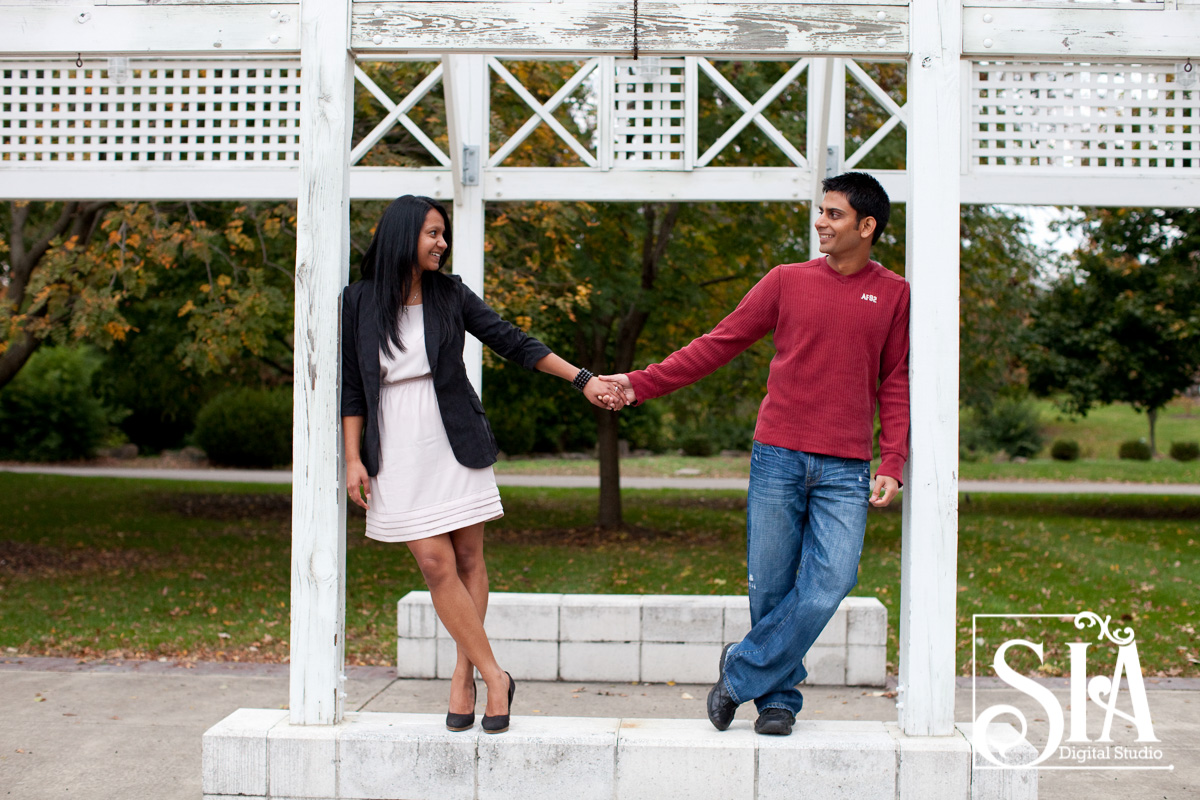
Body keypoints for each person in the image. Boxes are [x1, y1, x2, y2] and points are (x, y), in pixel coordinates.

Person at [601, 172, 909, 736]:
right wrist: (641, 382)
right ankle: (779, 702)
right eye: (821, 211)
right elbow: (717, 344)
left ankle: (739, 670)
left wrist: (893, 460)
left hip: (846, 466)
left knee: (830, 582)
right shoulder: (786, 281)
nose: (821, 221)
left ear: (867, 227)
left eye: (834, 214)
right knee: (770, 585)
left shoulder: (893, 293)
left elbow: (895, 380)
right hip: (778, 455)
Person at [341, 195, 624, 734]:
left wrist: (584, 379)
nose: (441, 244)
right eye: (431, 233)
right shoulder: (358, 302)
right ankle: (497, 675)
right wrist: (353, 457)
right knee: (433, 562)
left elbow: (512, 342)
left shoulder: (449, 294)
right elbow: (352, 387)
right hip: (395, 444)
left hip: (453, 436)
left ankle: (464, 675)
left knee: (468, 558)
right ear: (404, 236)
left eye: (443, 234)